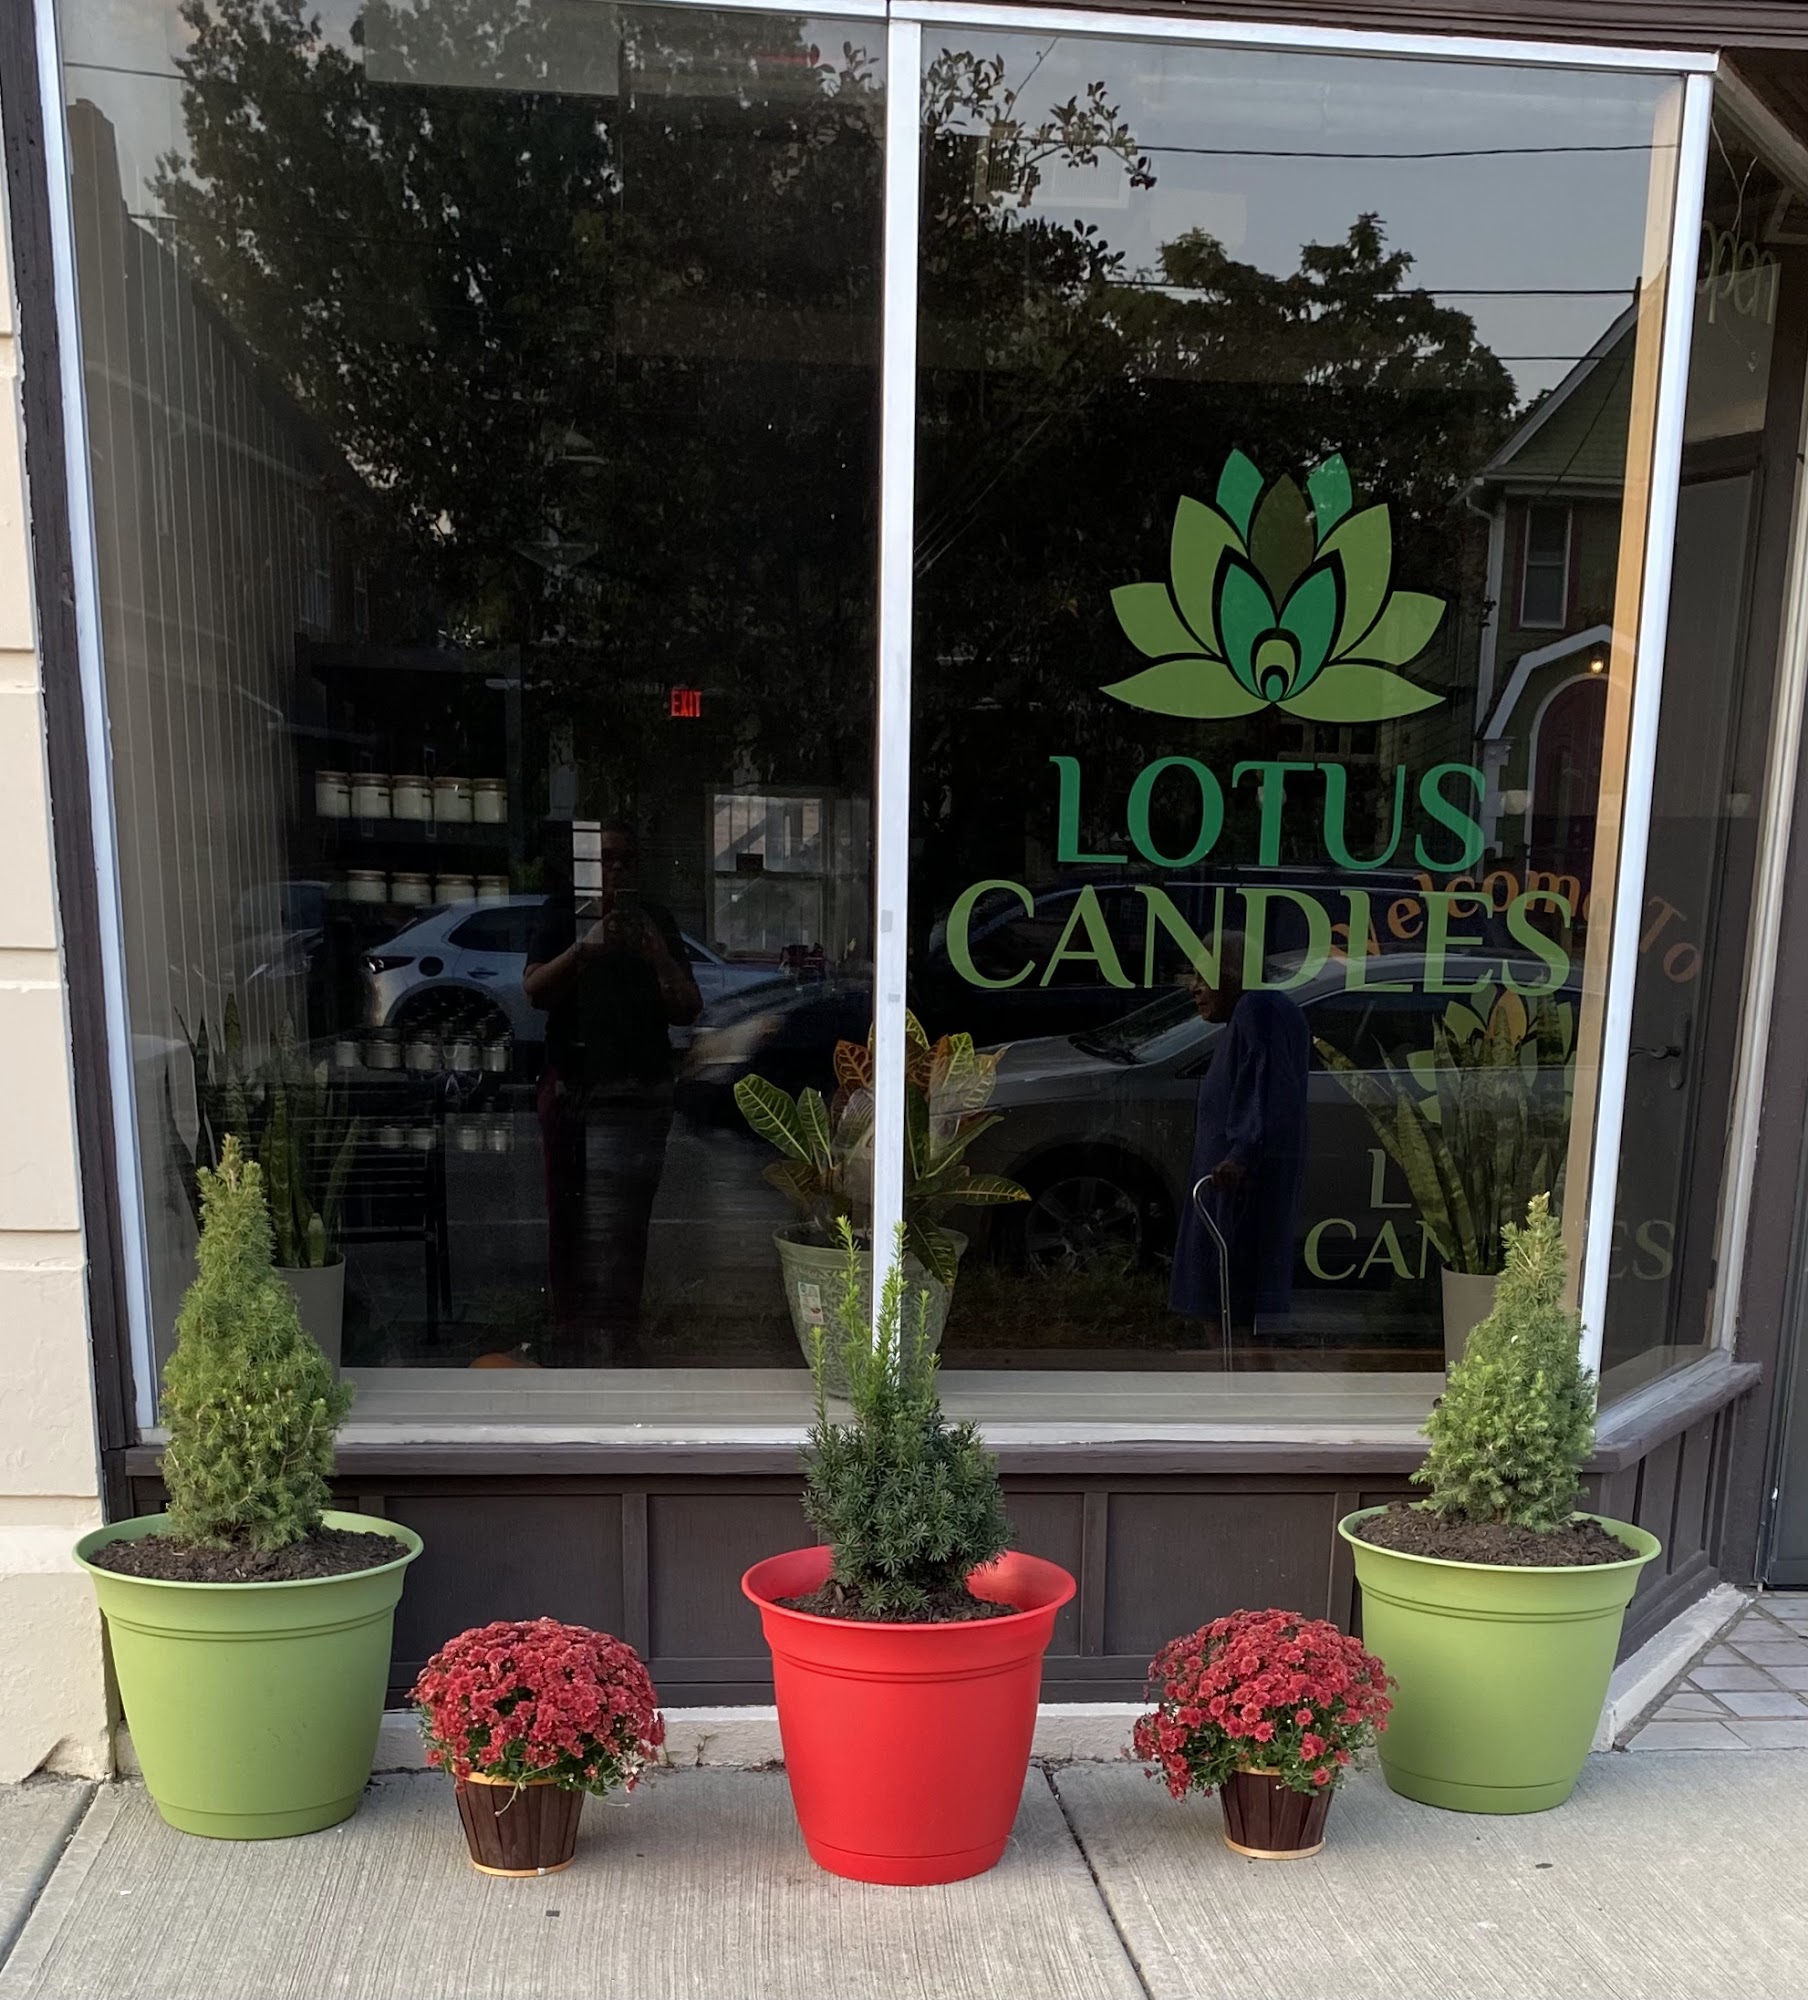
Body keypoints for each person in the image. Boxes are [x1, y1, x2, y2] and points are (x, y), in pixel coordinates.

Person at [523, 821, 701, 1364]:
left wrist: (657, 955)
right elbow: (534, 990)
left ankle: (620, 1333)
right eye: (605, 859)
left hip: (639, 1088)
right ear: (585, 867)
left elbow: (687, 1008)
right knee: (567, 1214)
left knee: (628, 1220)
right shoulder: (563, 915)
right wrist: (585, 947)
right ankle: (569, 1329)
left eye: (625, 860)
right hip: (574, 1084)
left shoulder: (655, 922)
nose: (616, 870)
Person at [1169, 934, 1309, 1351]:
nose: (1194, 988)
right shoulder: (1256, 1014)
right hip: (1227, 1186)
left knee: (1232, 1308)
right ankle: (1232, 1386)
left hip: (1235, 1190)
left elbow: (1268, 1090)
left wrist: (1240, 1156)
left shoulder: (1258, 1009)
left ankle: (1238, 1389)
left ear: (1231, 972)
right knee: (1224, 1309)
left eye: (1203, 976)